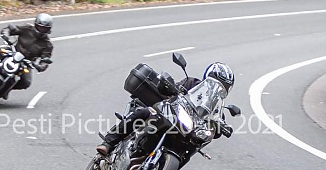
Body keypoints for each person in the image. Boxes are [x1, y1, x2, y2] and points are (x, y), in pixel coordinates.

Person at [96, 62, 235, 155]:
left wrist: (220, 128)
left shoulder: (218, 110)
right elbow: (171, 90)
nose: (218, 87)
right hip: (169, 115)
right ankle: (108, 142)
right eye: (217, 81)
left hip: (186, 134)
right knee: (143, 113)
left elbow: (214, 132)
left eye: (224, 86)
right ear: (208, 76)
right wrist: (172, 87)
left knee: (189, 150)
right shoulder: (191, 83)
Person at [0, 13, 54, 94]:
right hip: (13, 51)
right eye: (40, 27)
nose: (42, 29)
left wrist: (41, 66)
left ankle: (5, 89)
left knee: (26, 82)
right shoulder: (27, 28)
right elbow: (11, 29)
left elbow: (45, 59)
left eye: (44, 28)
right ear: (36, 24)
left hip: (26, 62)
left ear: (48, 29)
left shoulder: (47, 45)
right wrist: (6, 34)